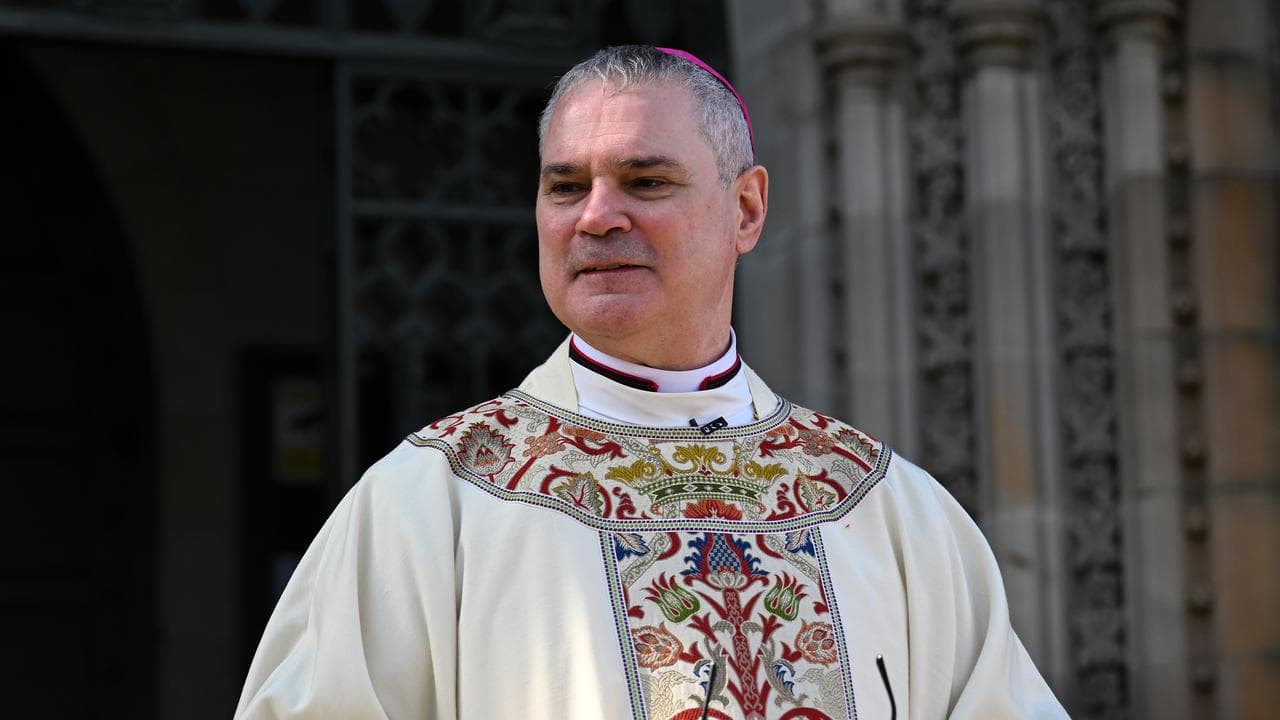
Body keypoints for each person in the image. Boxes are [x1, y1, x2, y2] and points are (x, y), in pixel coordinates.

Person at [235, 45, 1068, 720]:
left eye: (646, 181)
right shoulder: (432, 503)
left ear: (746, 209)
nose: (596, 215)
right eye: (566, 186)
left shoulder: (887, 512)